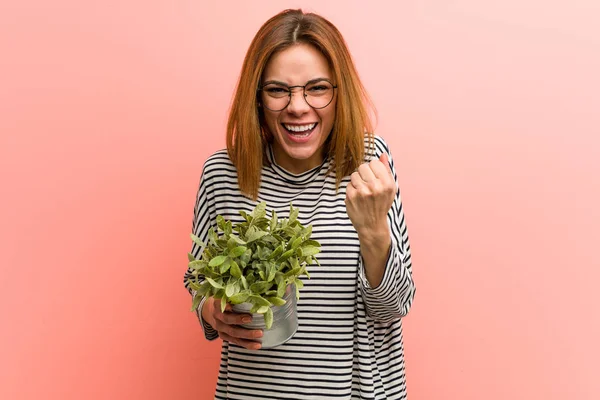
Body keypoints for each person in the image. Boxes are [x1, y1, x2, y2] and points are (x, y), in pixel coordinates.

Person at [183, 9, 416, 400]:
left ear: (338, 92)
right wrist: (211, 311)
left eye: (317, 87)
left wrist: (374, 233)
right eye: (278, 90)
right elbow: (198, 282)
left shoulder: (369, 164)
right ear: (257, 98)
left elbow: (392, 308)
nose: (297, 106)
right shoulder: (224, 172)